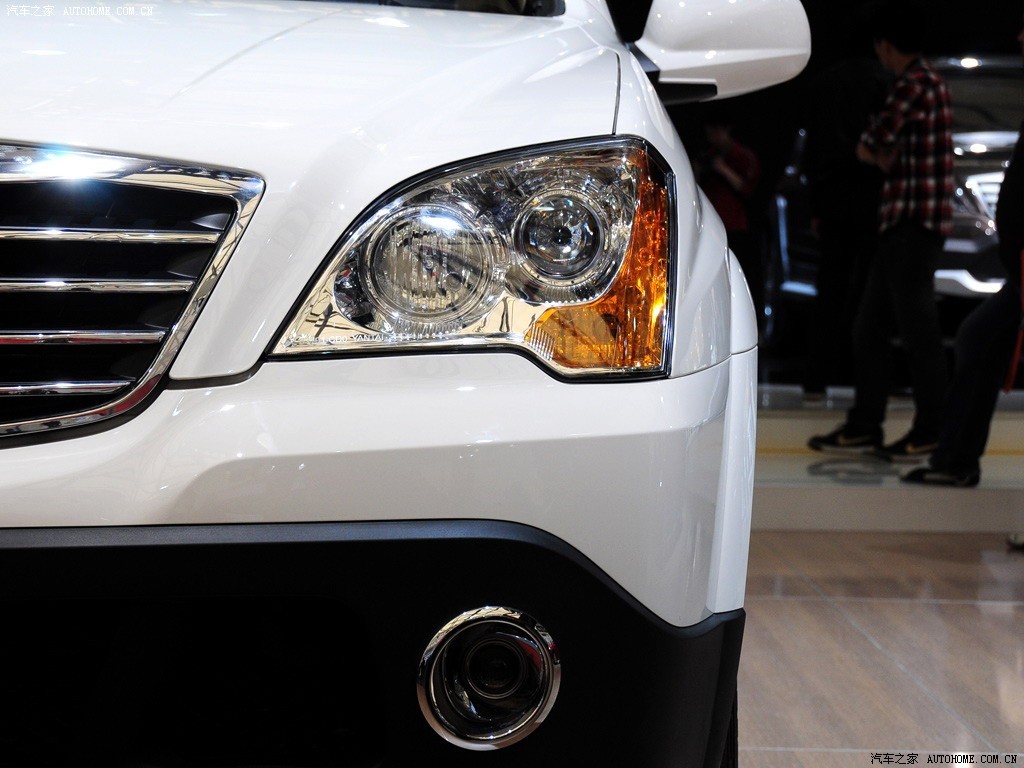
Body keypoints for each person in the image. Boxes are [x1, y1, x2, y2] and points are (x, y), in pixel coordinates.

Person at [809, 0, 954, 459]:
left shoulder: (912, 85)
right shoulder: (930, 82)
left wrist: (873, 151)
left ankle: (929, 429)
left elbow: (872, 142)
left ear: (886, 46)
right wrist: (879, 153)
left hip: (910, 224)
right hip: (910, 226)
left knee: (913, 333)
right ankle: (867, 424)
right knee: (872, 329)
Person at [900, 22, 1024, 487]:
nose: (1019, 37)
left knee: (977, 338)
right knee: (978, 339)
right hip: (1018, 266)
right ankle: (955, 461)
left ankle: (955, 461)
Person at [802, 54, 891, 397]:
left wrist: (816, 204)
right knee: (871, 294)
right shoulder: (883, 82)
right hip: (872, 200)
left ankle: (817, 376)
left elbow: (814, 150)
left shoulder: (826, 84)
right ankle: (867, 379)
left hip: (834, 200)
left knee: (830, 292)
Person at [698, 116, 763, 321]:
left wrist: (722, 168)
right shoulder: (708, 155)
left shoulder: (743, 157)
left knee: (737, 280)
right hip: (711, 228)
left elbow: (747, 189)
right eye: (710, 134)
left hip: (736, 228)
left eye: (716, 132)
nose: (713, 138)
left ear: (727, 131)